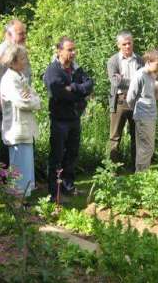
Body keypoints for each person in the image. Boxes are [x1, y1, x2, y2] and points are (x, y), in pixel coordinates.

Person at [44, 37, 93, 201]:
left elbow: (89, 85)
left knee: (72, 154)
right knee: (57, 156)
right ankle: (54, 191)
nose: (73, 53)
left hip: (74, 118)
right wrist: (79, 95)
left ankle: (68, 187)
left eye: (74, 49)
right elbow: (58, 93)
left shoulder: (76, 69)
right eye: (69, 50)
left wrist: (73, 88)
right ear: (59, 51)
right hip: (60, 120)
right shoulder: (53, 70)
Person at [0, 19, 31, 168]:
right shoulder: (0, 53)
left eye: (25, 33)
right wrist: (4, 109)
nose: (25, 36)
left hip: (19, 105)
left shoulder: (19, 50)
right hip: (2, 104)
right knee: (8, 140)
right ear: (8, 34)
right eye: (21, 33)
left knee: (21, 139)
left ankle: (22, 178)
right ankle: (4, 181)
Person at [0, 44, 40, 197]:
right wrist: (32, 100)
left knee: (26, 169)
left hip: (25, 129)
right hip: (17, 130)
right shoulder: (9, 79)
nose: (25, 61)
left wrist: (32, 99)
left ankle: (23, 201)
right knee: (19, 170)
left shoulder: (20, 77)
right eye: (22, 58)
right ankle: (17, 202)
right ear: (13, 61)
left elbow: (37, 100)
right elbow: (21, 102)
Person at [107, 31, 144, 168]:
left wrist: (125, 80)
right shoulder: (113, 61)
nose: (128, 46)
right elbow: (115, 82)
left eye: (130, 43)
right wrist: (135, 81)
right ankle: (112, 169)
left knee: (137, 136)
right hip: (120, 101)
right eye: (124, 44)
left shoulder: (140, 60)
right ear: (118, 45)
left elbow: (144, 81)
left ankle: (137, 167)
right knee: (115, 136)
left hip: (136, 101)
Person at [126, 49, 158, 172]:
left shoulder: (151, 75)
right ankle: (141, 175)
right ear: (148, 62)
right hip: (143, 116)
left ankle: (143, 175)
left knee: (148, 147)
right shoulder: (139, 75)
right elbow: (130, 97)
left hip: (151, 116)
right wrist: (137, 111)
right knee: (146, 147)